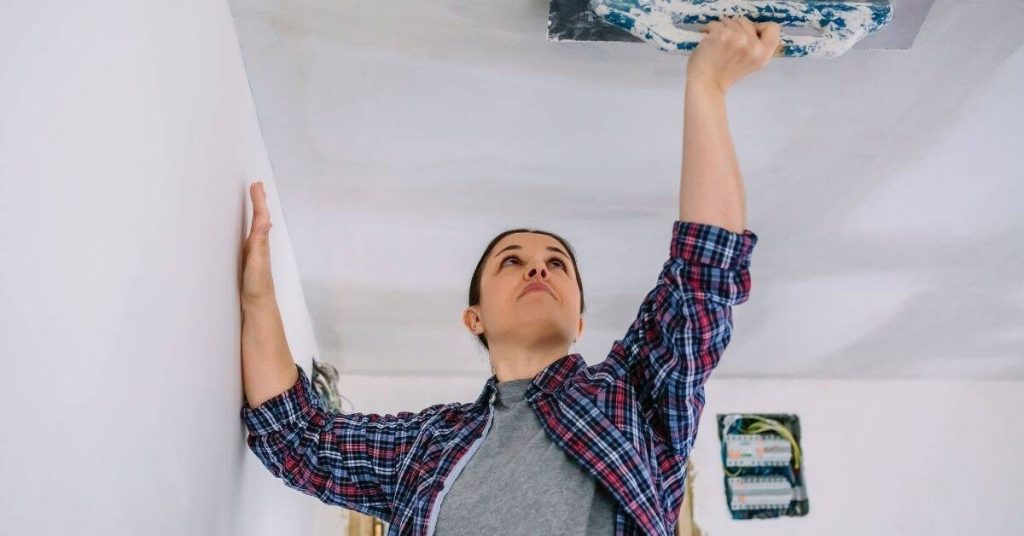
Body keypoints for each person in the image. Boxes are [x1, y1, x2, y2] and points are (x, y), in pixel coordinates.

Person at [239, 15, 780, 536]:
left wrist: (707, 85)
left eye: (557, 263)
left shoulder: (633, 397)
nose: (538, 266)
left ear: (580, 320)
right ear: (474, 317)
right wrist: (259, 301)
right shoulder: (426, 446)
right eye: (511, 261)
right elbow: (297, 438)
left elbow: (703, 273)